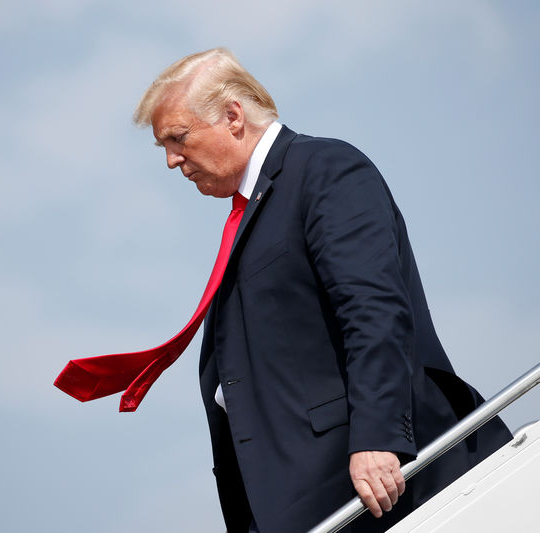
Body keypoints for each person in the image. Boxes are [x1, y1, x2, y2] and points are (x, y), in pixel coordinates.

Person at [131, 48, 513, 533]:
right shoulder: (257, 209)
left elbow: (373, 308)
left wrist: (378, 437)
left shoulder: (324, 168)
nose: (171, 161)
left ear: (232, 117)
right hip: (300, 499)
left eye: (177, 138)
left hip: (373, 485)